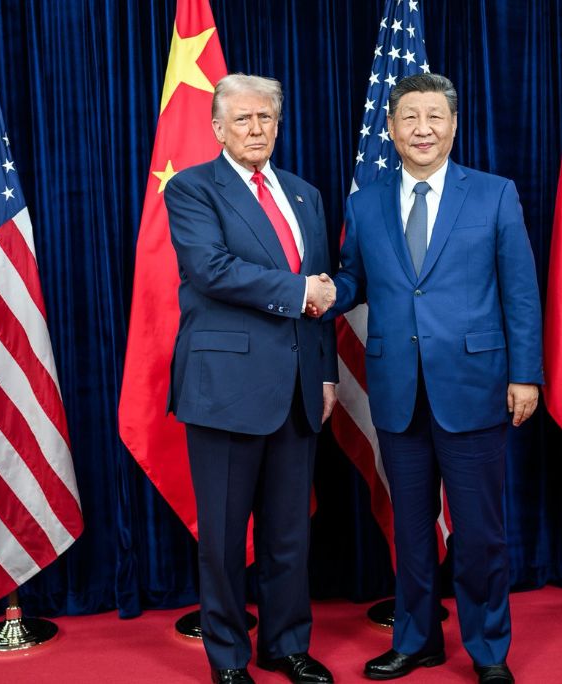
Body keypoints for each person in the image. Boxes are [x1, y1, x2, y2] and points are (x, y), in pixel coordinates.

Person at [326, 73, 542, 683]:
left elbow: (519, 293)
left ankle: (489, 649)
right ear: (390, 129)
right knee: (412, 533)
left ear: (452, 125)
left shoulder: (494, 195)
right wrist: (317, 293)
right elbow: (354, 281)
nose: (422, 129)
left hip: (476, 388)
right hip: (396, 392)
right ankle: (416, 639)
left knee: (480, 536)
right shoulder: (365, 202)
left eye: (434, 117)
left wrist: (526, 374)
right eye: (409, 118)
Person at [163, 73, 338, 684]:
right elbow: (210, 269)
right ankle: (229, 658)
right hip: (225, 388)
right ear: (217, 129)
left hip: (297, 390)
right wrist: (298, 291)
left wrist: (324, 373)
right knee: (223, 539)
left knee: (290, 535)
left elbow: (318, 293)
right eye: (243, 119)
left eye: (266, 118)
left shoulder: (305, 194)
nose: (257, 129)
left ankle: (286, 645)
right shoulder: (191, 190)